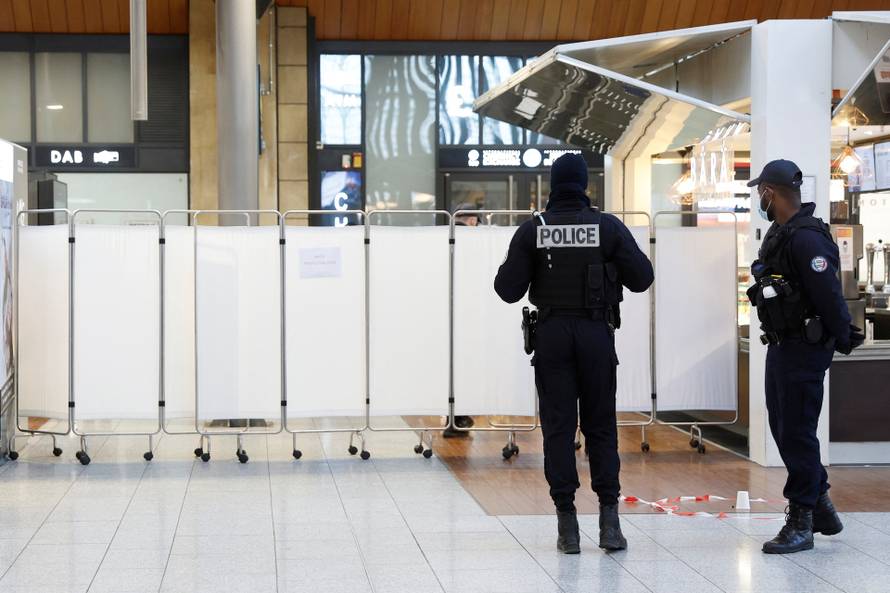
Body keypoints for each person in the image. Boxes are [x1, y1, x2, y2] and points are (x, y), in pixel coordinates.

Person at [493, 154, 653, 554]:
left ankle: (567, 527)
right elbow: (642, 278)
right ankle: (610, 523)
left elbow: (506, 289)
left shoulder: (536, 229)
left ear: (552, 185)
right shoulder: (606, 227)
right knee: (601, 426)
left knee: (559, 430)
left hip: (552, 337)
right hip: (596, 334)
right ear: (585, 185)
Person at [746, 159, 864, 555]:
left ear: (770, 192)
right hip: (782, 343)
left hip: (804, 346)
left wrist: (843, 334)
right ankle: (821, 505)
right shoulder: (781, 233)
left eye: (760, 190)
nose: (759, 197)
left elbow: (828, 293)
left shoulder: (807, 238)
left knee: (796, 430)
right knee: (784, 427)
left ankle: (801, 520)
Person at [444, 202, 480, 438]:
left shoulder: (444, 237)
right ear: (471, 220)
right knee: (466, 367)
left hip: (447, 313)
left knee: (450, 368)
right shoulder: (472, 240)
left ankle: (452, 418)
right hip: (470, 313)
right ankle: (459, 418)